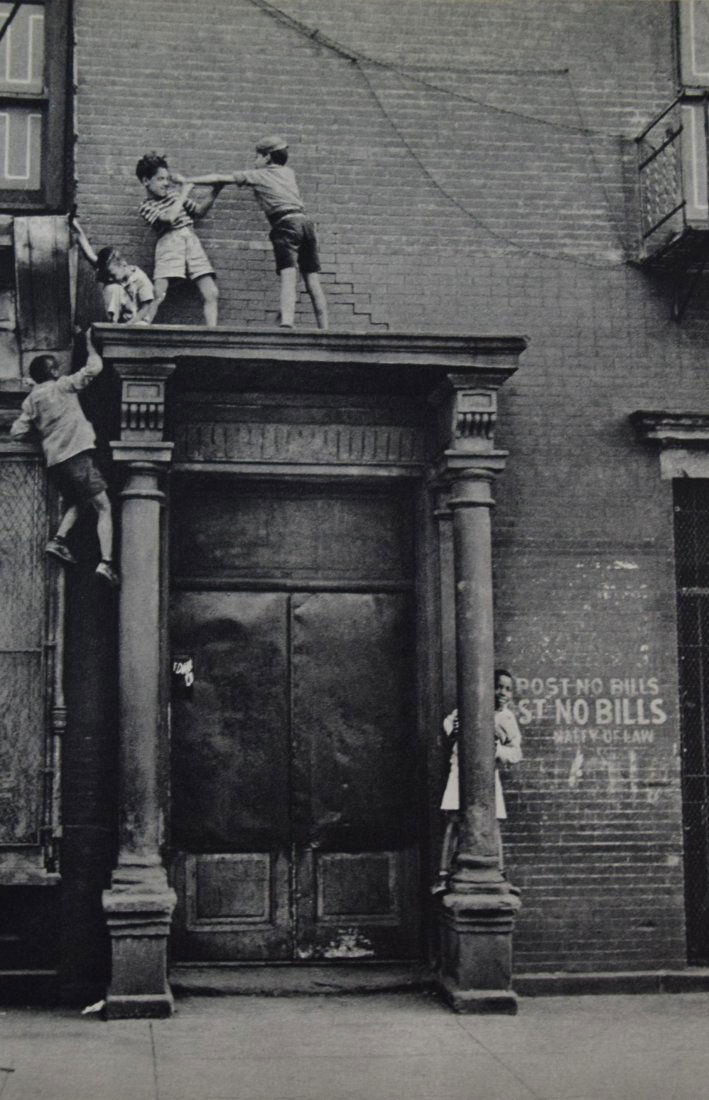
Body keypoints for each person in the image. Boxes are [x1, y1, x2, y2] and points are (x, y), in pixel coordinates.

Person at [10, 330, 120, 587]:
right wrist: (90, 345)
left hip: (56, 463)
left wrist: (42, 429)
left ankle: (58, 540)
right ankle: (106, 562)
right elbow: (94, 368)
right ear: (52, 372)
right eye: (56, 367)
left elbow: (17, 432)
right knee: (104, 507)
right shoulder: (63, 386)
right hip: (76, 457)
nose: (59, 370)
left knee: (79, 502)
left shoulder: (32, 400)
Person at [187, 135, 329, 330]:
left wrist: (187, 180)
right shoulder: (288, 173)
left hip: (285, 224)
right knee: (312, 280)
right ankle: (325, 329)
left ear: (267, 157)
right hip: (305, 223)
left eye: (257, 157)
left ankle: (287, 323)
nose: (254, 161)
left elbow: (219, 178)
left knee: (289, 276)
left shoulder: (259, 175)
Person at [432, 669, 522, 893]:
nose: (502, 692)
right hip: (460, 770)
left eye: (508, 689)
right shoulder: (469, 708)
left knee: (493, 824)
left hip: (488, 775)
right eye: (498, 687)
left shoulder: (507, 719)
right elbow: (448, 723)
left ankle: (500, 874)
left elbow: (516, 753)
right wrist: (454, 731)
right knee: (454, 821)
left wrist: (497, 749)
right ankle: (442, 875)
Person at [136, 151, 223, 326]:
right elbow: (169, 218)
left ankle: (212, 334)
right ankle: (143, 323)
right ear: (146, 181)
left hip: (191, 240)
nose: (166, 183)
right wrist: (184, 191)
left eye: (167, 179)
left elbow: (198, 211)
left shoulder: (174, 195)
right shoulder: (146, 206)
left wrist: (216, 190)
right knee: (158, 292)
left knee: (212, 292)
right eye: (160, 179)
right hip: (169, 242)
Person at [71, 215, 156, 324]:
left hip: (136, 321)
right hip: (120, 320)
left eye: (112, 275)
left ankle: (117, 327)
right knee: (112, 288)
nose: (110, 278)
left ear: (124, 265)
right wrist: (74, 224)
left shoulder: (140, 278)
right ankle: (112, 324)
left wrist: (129, 325)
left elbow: (146, 308)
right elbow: (89, 252)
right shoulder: (109, 270)